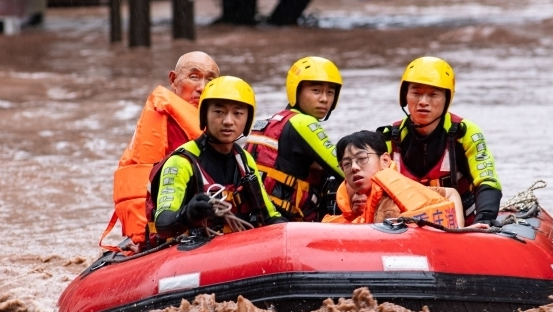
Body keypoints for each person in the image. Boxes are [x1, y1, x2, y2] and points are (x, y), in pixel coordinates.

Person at [101, 51, 220, 250]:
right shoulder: (167, 121)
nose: (202, 87)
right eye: (193, 77)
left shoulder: (213, 124)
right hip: (162, 227)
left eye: (210, 80)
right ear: (173, 80)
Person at [147, 76, 284, 240]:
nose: (228, 121)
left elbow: (270, 216)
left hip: (237, 249)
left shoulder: (244, 160)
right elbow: (163, 224)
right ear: (204, 115)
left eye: (238, 113)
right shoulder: (181, 162)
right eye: (219, 112)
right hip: (190, 253)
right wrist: (188, 213)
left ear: (248, 120)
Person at [377, 56, 502, 226]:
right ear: (405, 96)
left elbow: (487, 180)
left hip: (463, 224)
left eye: (433, 94)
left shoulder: (465, 133)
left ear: (446, 99)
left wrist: (485, 218)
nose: (423, 102)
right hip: (404, 227)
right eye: (416, 93)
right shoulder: (388, 137)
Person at [244, 56, 345, 221]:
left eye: (330, 92)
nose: (324, 99)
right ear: (296, 91)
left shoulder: (273, 121)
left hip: (256, 218)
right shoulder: (303, 123)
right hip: (285, 223)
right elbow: (344, 169)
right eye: (316, 91)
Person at [322, 130, 464, 227]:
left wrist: (458, 232)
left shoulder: (392, 205)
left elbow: (451, 193)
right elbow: (451, 193)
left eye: (362, 158)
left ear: (384, 160)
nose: (354, 167)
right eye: (346, 163)